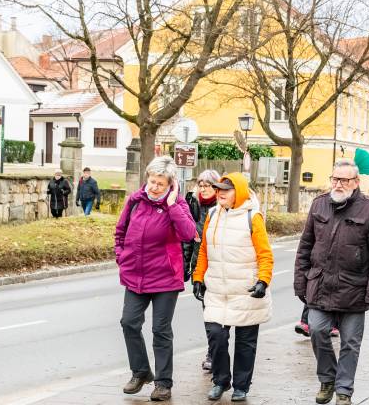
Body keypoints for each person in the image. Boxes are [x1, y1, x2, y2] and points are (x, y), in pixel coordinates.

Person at [294, 159, 369, 405]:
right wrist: (300, 282)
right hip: (320, 286)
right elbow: (305, 246)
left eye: (344, 180)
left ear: (356, 182)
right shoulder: (319, 205)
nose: (338, 184)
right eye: (335, 179)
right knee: (316, 330)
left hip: (355, 288)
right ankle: (328, 379)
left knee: (350, 343)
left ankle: (344, 391)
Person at [113, 156, 197, 401]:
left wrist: (171, 205)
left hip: (164, 279)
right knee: (129, 322)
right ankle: (140, 372)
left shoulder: (178, 205)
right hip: (135, 276)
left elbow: (189, 233)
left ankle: (163, 383)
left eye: (160, 183)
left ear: (170, 184)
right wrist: (122, 256)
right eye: (151, 181)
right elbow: (120, 232)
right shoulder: (135, 202)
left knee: (160, 331)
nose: (154, 187)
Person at [192, 172, 274, 402]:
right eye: (218, 190)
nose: (220, 194)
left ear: (238, 192)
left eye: (225, 190)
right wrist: (198, 277)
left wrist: (263, 281)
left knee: (245, 343)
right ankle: (220, 380)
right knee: (216, 336)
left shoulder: (253, 217)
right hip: (218, 290)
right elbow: (205, 250)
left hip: (246, 291)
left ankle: (241, 386)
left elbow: (265, 255)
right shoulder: (213, 214)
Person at [182, 169, 222, 372]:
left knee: (222, 316)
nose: (204, 188)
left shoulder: (223, 206)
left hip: (222, 268)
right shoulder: (193, 206)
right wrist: (184, 267)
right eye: (201, 184)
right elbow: (187, 238)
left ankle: (218, 352)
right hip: (201, 268)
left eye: (209, 184)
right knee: (209, 314)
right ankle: (213, 353)